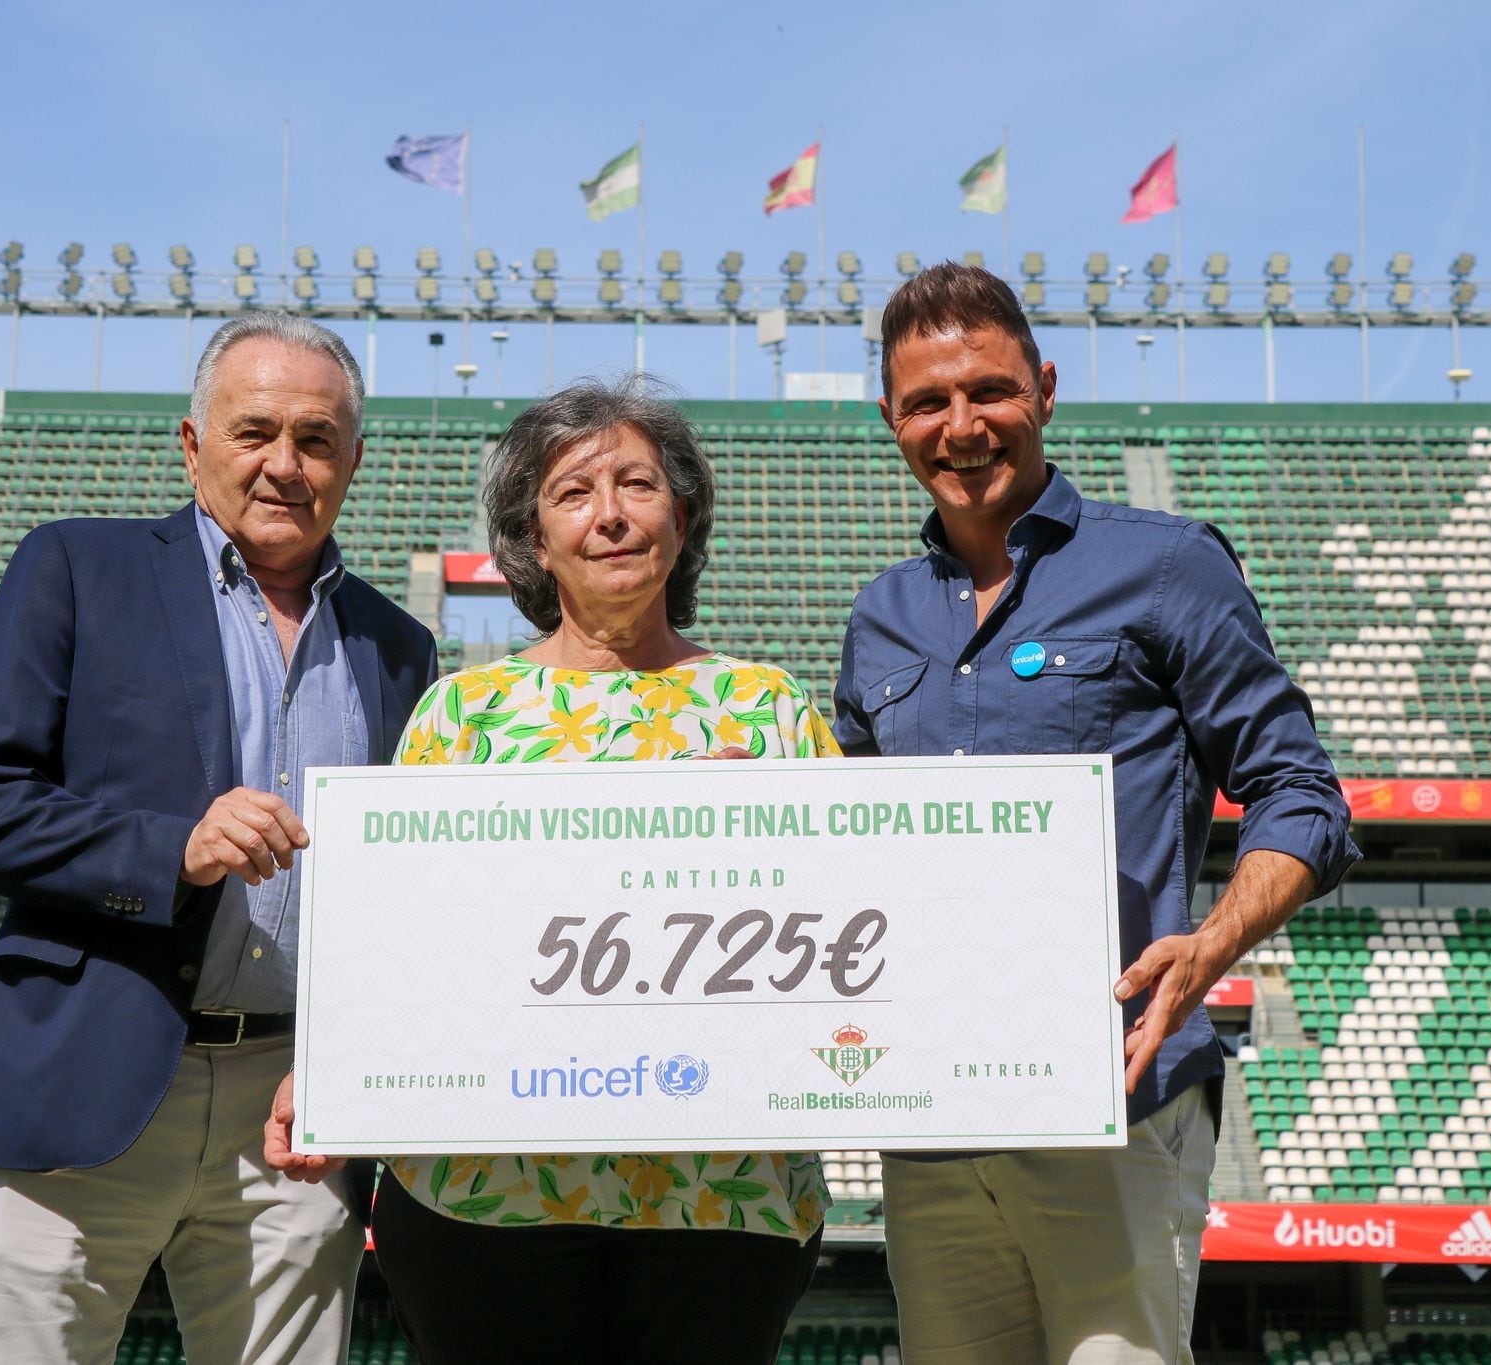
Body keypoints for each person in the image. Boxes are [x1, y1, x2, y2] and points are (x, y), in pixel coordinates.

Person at [832, 262, 1360, 1364]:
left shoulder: (1165, 566)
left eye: (990, 390)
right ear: (891, 419)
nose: (961, 425)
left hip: (1115, 1097)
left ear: (1045, 388)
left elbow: (1299, 791)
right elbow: (848, 858)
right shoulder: (877, 619)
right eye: (928, 402)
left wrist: (1212, 944)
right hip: (933, 1119)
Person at [265, 379, 834, 1365]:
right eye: (573, 493)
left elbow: (846, 930)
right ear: (532, 538)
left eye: (636, 484)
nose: (608, 514)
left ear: (684, 515)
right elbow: (394, 938)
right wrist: (329, 1065)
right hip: (482, 1198)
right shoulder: (460, 716)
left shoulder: (767, 709)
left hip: (721, 1193)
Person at [0, 313, 438, 1365]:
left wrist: (349, 1064)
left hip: (295, 1109)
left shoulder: (399, 645)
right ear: (191, 443)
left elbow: (402, 896)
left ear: (354, 461)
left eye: (315, 439)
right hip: (93, 1075)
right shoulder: (76, 566)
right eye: (254, 432)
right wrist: (171, 849)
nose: (284, 465)